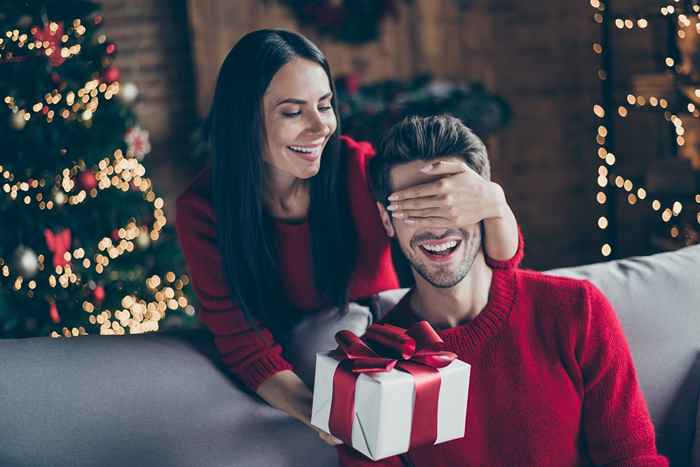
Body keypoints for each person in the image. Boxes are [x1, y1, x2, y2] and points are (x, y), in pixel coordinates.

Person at [174, 29, 522, 447]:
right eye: (292, 112)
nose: (320, 126)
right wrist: (322, 412)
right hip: (302, 371)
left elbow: (498, 261)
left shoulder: (358, 168)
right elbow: (242, 341)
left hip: (393, 353)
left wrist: (493, 203)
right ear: (244, 119)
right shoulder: (204, 210)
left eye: (325, 106)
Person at [335, 114, 667, 466]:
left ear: (486, 204)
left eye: (450, 204)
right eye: (413, 208)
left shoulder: (576, 311)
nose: (436, 227)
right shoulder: (373, 364)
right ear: (386, 220)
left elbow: (632, 458)